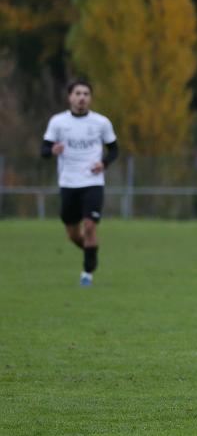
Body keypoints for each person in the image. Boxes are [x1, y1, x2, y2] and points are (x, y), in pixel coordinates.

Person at [41, 80, 118, 286]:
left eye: (86, 94)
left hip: (92, 182)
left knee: (90, 225)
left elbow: (114, 150)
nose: (82, 97)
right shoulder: (58, 122)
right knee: (73, 234)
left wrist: (103, 163)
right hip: (68, 182)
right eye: (78, 93)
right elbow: (44, 151)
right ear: (70, 97)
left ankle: (87, 273)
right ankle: (91, 251)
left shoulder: (101, 122)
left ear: (90, 98)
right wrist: (52, 151)